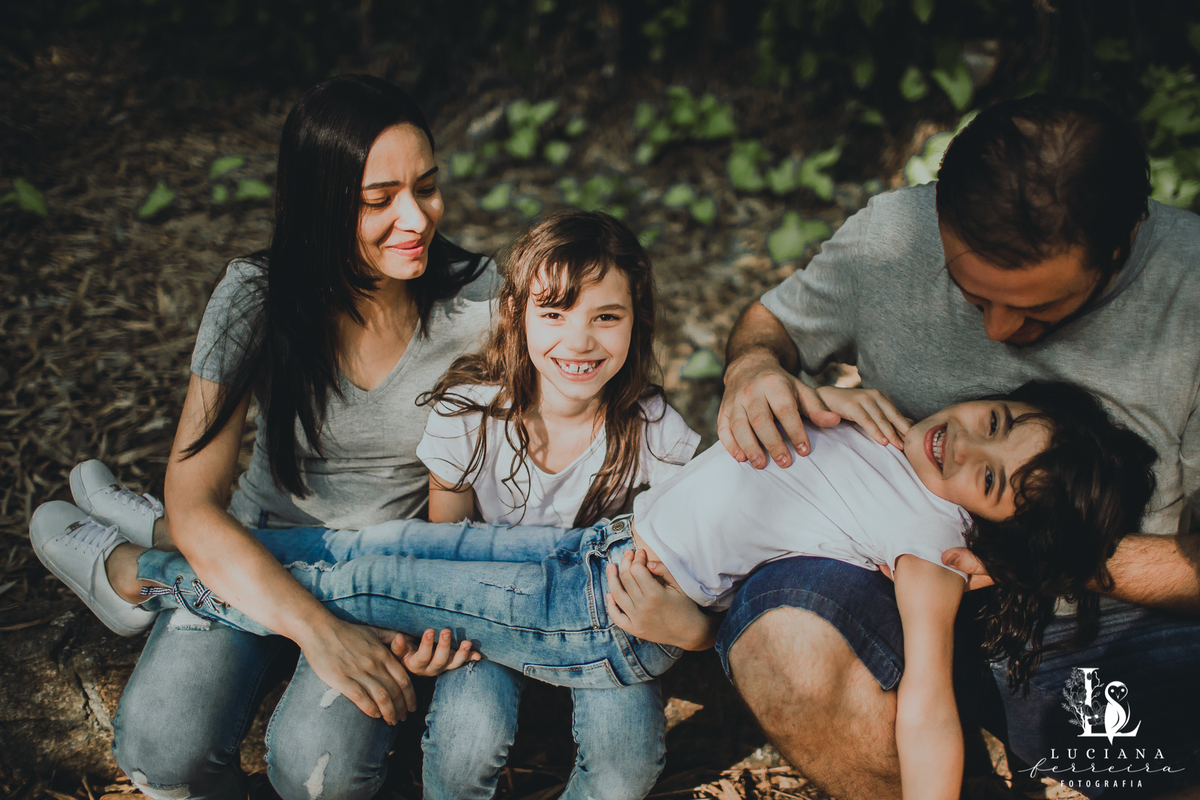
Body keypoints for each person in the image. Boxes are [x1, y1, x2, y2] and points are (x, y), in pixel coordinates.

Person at [36, 380, 1157, 800]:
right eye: (999, 419)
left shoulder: (931, 542)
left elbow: (924, 709)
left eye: (996, 480)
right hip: (597, 550)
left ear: (1000, 528)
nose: (971, 447)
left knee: (366, 574)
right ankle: (188, 536)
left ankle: (139, 572)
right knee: (356, 548)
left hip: (597, 617)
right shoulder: (893, 424)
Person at [30, 74, 498, 800]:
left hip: (384, 563)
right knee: (160, 749)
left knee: (326, 775)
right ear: (321, 204)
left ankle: (140, 565)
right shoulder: (256, 296)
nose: (417, 218)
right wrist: (316, 628)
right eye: (379, 200)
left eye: (428, 187)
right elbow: (196, 501)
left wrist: (444, 600)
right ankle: (136, 557)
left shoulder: (477, 301)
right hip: (262, 538)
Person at [716, 95, 1200, 797]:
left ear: (1121, 244)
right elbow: (773, 323)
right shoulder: (893, 236)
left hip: (1105, 623)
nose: (1000, 330)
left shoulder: (1191, 294)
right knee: (780, 640)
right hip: (887, 578)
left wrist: (1039, 554)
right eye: (973, 297)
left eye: (1040, 309)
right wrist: (753, 366)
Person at [413, 209, 699, 800]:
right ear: (516, 316)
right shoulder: (469, 413)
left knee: (626, 765)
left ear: (635, 323)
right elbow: (449, 545)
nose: (579, 341)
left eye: (606, 317)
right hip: (489, 610)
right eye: (554, 312)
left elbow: (686, 555)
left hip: (602, 621)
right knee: (464, 747)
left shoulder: (656, 434)